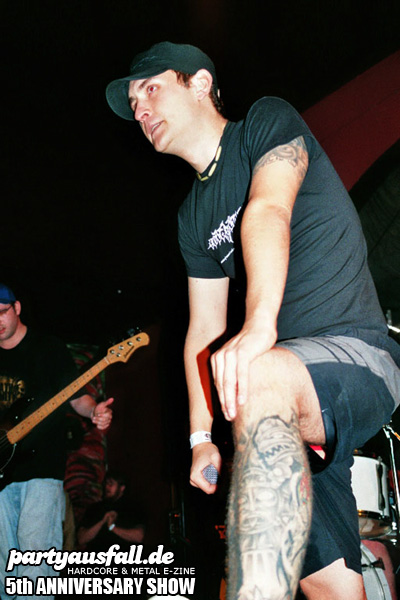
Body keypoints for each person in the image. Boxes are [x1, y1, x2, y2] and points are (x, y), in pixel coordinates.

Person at [105, 42, 400, 600]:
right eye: (133, 103)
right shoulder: (193, 215)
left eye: (151, 89)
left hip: (355, 355)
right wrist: (200, 438)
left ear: (199, 83)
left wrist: (260, 327)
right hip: (288, 395)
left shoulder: (265, 122)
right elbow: (202, 331)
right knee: (330, 587)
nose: (140, 109)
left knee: (257, 377)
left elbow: (268, 208)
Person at [0, 283, 113, 599]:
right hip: (1, 473)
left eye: (2, 312)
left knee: (34, 561)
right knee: (4, 568)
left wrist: (94, 411)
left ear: (17, 308)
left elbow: (76, 397)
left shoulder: (48, 349)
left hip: (40, 469)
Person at [77, 469, 145, 551]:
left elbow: (139, 537)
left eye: (111, 484)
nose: (107, 487)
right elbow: (81, 539)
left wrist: (113, 528)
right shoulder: (95, 508)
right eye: (106, 483)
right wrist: (102, 522)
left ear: (122, 488)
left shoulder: (133, 508)